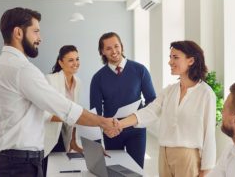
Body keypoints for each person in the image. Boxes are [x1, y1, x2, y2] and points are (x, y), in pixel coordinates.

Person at [0, 7, 119, 177]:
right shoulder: (22, 70)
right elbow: (66, 108)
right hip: (22, 165)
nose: (40, 38)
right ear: (18, 32)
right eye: (36, 31)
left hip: (5, 160)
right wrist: (102, 122)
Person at [117, 40, 216, 177]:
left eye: (175, 57)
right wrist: (119, 124)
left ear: (191, 60)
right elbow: (150, 111)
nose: (170, 62)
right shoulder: (170, 91)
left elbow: (209, 134)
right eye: (170, 57)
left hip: (187, 157)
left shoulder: (206, 93)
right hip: (164, 154)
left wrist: (205, 171)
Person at [90, 32, 156, 168]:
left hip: (136, 131)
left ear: (122, 46)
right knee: (115, 170)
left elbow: (151, 101)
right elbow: (95, 113)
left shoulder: (140, 70)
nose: (114, 51)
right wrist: (96, 143)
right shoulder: (98, 78)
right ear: (102, 52)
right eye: (108, 48)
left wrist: (141, 119)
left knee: (136, 170)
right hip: (111, 132)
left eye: (116, 46)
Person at [42, 45, 83, 176]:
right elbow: (43, 112)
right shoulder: (50, 80)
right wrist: (68, 117)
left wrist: (73, 140)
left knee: (59, 170)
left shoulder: (78, 82)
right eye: (70, 60)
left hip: (64, 134)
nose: (75, 63)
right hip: (48, 133)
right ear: (61, 62)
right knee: (47, 170)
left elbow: (75, 112)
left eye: (77, 59)